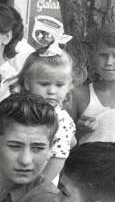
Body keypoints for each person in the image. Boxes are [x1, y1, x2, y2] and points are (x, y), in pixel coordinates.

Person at [16, 45, 76, 182]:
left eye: (59, 85)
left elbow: (58, 158)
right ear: (27, 83)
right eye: (44, 84)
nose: (52, 91)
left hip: (39, 181)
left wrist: (37, 187)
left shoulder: (59, 119)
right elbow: (72, 141)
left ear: (68, 86)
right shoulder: (21, 107)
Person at [69, 22, 115, 143]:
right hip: (86, 155)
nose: (109, 62)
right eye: (103, 55)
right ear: (93, 56)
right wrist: (78, 132)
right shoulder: (79, 95)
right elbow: (61, 143)